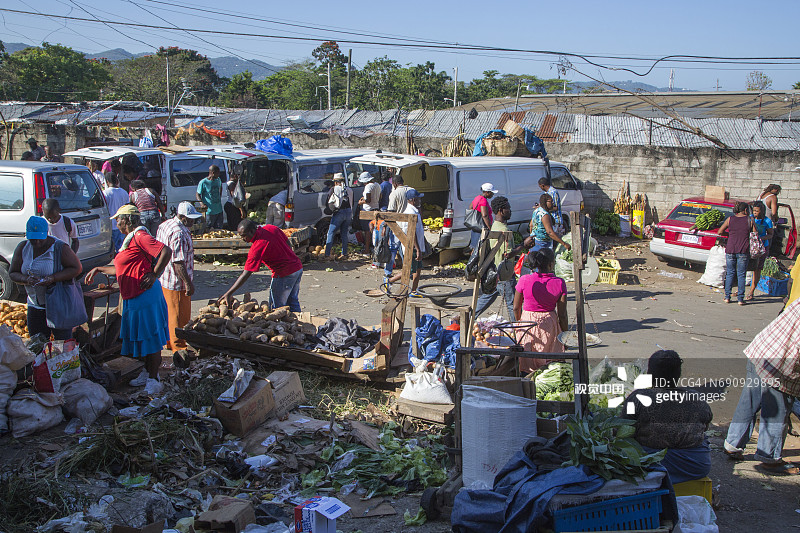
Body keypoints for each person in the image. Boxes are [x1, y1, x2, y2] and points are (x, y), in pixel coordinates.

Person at [85, 205, 172, 380]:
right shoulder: (129, 240)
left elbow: (165, 251)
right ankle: (146, 373)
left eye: (118, 219)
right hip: (135, 298)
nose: (117, 223)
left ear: (127, 220)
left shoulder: (140, 236)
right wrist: (99, 269)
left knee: (151, 339)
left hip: (145, 296)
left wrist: (154, 274)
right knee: (142, 339)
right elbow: (121, 269)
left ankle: (154, 378)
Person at [724, 298, 800, 474]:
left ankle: (732, 444)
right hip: (780, 365)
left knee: (749, 402)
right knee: (776, 411)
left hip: (763, 351)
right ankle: (769, 460)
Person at [624, 350, 713, 484]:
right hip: (695, 466)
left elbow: (623, 430)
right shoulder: (697, 398)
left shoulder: (638, 398)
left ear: (650, 375)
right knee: (703, 439)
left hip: (651, 465)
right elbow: (705, 426)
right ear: (678, 374)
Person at [9, 216, 83, 340]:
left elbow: (77, 268)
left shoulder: (59, 247)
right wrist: (26, 279)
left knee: (63, 343)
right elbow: (13, 272)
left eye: (40, 239)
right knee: (37, 343)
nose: (37, 242)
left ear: (47, 234)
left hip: (58, 304)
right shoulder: (23, 248)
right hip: (35, 305)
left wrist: (53, 278)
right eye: (33, 239)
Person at [219, 219, 303, 312]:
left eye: (244, 236)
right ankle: (300, 323)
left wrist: (229, 293)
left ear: (251, 231)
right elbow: (287, 242)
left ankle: (282, 325)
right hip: (297, 268)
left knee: (277, 307)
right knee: (293, 301)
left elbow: (246, 273)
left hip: (284, 274)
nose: (243, 239)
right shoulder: (271, 228)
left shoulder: (257, 246)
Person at [156, 202, 202, 359]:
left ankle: (169, 341)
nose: (192, 222)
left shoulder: (165, 224)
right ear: (182, 217)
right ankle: (179, 348)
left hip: (165, 278)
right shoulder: (179, 234)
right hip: (176, 282)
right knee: (179, 316)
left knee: (169, 313)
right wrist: (188, 283)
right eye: (190, 219)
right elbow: (178, 262)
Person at [475, 195, 534, 318]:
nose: (510, 211)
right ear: (501, 210)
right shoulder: (503, 231)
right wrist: (524, 244)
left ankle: (467, 317)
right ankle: (518, 329)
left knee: (487, 298)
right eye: (508, 208)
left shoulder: (494, 226)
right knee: (513, 304)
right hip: (504, 274)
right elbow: (507, 254)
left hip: (495, 271)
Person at [513, 248, 568, 373]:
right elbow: (562, 315)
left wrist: (519, 323)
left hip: (527, 322)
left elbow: (516, 307)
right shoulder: (559, 283)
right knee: (550, 364)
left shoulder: (524, 280)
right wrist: (565, 335)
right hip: (549, 323)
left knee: (527, 362)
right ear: (550, 264)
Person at [387, 188, 425, 295]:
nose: (419, 201)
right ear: (413, 200)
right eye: (418, 199)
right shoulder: (410, 213)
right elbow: (411, 233)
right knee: (409, 271)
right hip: (412, 247)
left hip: (416, 245)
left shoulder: (414, 211)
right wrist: (417, 249)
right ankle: (389, 281)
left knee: (418, 269)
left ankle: (414, 290)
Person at [717, 201, 754, 305]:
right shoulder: (750, 220)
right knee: (741, 274)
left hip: (730, 249)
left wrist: (730, 234)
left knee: (730, 273)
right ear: (746, 210)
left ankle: (727, 297)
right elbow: (755, 233)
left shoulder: (730, 219)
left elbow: (720, 232)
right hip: (743, 250)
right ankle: (740, 299)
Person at [382, 175, 410, 282]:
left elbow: (391, 212)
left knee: (393, 248)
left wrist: (385, 225)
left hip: (397, 225)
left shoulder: (394, 194)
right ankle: (408, 269)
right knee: (405, 248)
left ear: (394, 183)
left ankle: (388, 271)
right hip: (409, 225)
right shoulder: (409, 190)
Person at [746, 201, 774, 301]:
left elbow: (770, 234)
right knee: (744, 267)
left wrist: (761, 238)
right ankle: (741, 290)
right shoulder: (750, 218)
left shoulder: (767, 221)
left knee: (757, 269)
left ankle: (751, 291)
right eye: (753, 210)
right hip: (749, 246)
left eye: (757, 211)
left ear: (762, 211)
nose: (754, 213)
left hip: (761, 248)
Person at [324, 173, 354, 260]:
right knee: (344, 233)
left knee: (331, 232)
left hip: (339, 212)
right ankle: (344, 254)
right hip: (348, 212)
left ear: (336, 182)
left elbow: (328, 202)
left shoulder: (334, 189)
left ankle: (327, 254)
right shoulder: (349, 190)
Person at [103, 173, 129, 252]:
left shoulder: (105, 193)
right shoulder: (124, 192)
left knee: (111, 250)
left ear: (107, 181)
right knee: (122, 248)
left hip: (111, 225)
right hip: (122, 225)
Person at [358, 172, 381, 255]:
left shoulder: (368, 186)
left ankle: (367, 249)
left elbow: (368, 200)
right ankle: (374, 248)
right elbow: (380, 197)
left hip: (368, 210)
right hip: (376, 208)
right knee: (375, 230)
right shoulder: (377, 185)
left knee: (367, 231)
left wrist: (361, 202)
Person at [469, 183, 497, 250]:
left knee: (475, 248)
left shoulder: (477, 197)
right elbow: (485, 215)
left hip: (475, 227)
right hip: (482, 228)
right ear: (487, 192)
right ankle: (477, 260)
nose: (493, 194)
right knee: (480, 249)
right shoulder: (483, 200)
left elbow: (471, 207)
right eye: (492, 193)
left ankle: (474, 260)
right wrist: (490, 228)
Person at [196, 165, 224, 229]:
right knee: (208, 229)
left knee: (219, 229)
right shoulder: (203, 182)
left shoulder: (218, 180)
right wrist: (202, 204)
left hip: (219, 210)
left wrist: (219, 197)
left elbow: (220, 187)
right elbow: (198, 194)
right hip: (209, 211)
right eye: (218, 173)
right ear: (213, 173)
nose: (219, 175)